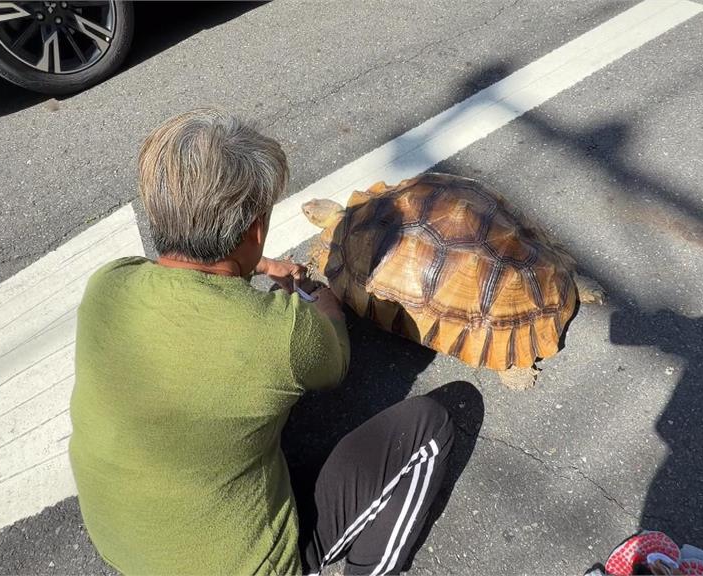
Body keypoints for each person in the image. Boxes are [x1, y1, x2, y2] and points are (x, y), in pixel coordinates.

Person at [69, 108, 455, 575]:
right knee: (430, 427)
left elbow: (193, 278)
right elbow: (334, 357)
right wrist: (319, 296)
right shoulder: (281, 333)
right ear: (255, 229)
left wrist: (259, 265)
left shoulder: (108, 285)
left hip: (127, 549)